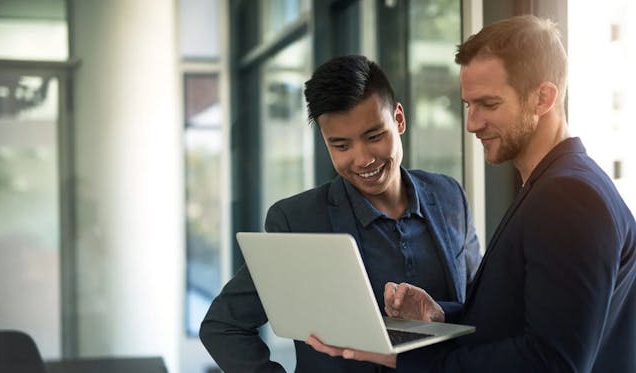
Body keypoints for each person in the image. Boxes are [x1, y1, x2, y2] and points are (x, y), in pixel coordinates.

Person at [307, 15, 636, 372]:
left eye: (489, 105)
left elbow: (553, 362)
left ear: (543, 98)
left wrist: (404, 358)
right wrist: (438, 314)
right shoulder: (554, 185)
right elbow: (523, 319)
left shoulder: (568, 197)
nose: (472, 123)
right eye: (468, 105)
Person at [199, 55, 482, 372]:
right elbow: (223, 326)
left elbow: (481, 312)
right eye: (341, 145)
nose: (362, 159)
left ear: (399, 119)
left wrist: (437, 312)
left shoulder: (449, 196)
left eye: (374, 136)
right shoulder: (299, 222)